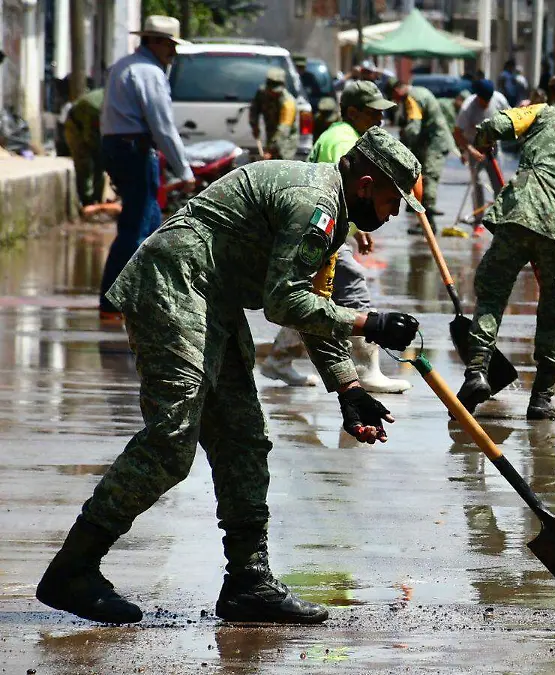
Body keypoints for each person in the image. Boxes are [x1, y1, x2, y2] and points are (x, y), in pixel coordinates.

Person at [36, 127, 424, 626]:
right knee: (171, 442)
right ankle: (73, 570)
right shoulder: (315, 205)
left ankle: (249, 582)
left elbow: (313, 305)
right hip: (176, 282)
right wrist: (370, 322)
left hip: (211, 298)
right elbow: (285, 303)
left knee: (243, 437)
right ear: (367, 183)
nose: (393, 215)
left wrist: (347, 388)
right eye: (394, 201)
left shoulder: (334, 213)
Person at [456, 101, 555, 420]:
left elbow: (494, 125)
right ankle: (541, 399)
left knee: (492, 294)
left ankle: (476, 372)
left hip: (519, 213)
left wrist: (483, 142)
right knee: (554, 311)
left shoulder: (546, 112)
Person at [261, 81, 411, 394]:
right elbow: (339, 193)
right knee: (348, 287)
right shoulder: (341, 139)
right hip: (315, 230)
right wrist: (373, 326)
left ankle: (280, 357)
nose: (380, 120)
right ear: (353, 111)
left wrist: (346, 390)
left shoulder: (347, 137)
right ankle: (366, 367)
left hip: (324, 228)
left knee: (313, 298)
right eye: (373, 113)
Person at [97, 15, 195, 319]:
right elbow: (163, 127)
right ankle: (113, 301)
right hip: (135, 151)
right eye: (170, 46)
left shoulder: (124, 65)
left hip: (120, 148)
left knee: (150, 223)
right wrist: (185, 172)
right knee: (137, 227)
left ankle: (142, 296)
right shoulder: (149, 72)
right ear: (154, 42)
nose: (173, 53)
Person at [394, 80, 453, 233]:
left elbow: (414, 128)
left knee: (428, 178)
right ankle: (420, 212)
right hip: (430, 141)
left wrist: (400, 144)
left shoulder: (412, 98)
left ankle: (429, 226)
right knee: (418, 170)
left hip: (436, 142)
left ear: (397, 90)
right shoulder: (418, 91)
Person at [454, 79, 510, 232]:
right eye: (483, 101)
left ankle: (500, 218)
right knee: (477, 183)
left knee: (499, 184)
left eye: (488, 100)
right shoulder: (468, 107)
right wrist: (470, 151)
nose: (486, 104)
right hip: (475, 148)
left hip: (493, 147)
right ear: (477, 96)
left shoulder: (499, 100)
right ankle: (478, 221)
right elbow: (457, 133)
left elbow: (510, 118)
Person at [64, 88, 106, 207]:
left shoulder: (114, 100)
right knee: (84, 164)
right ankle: (86, 202)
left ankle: (97, 200)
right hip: (75, 126)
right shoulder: (96, 107)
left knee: (100, 164)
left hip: (92, 126)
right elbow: (90, 137)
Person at [249, 67, 298, 160]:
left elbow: (283, 130)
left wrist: (271, 150)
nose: (274, 93)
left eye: (276, 91)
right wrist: (254, 125)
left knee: (282, 168)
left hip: (286, 144)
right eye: (271, 91)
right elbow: (254, 109)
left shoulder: (288, 103)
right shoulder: (262, 93)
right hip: (271, 136)